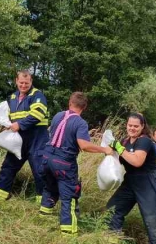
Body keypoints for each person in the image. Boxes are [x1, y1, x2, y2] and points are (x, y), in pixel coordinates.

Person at [38, 92, 112, 235]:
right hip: (63, 163)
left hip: (46, 158)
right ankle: (68, 232)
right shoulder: (80, 123)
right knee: (69, 196)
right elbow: (84, 145)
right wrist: (104, 149)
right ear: (84, 107)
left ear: (69, 102)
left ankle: (43, 217)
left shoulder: (58, 115)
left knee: (49, 187)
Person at [106, 114, 156, 244]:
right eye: (130, 125)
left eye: (136, 126)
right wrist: (109, 151)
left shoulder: (145, 141)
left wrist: (119, 148)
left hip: (149, 182)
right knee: (112, 210)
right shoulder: (125, 141)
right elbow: (119, 159)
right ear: (126, 125)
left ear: (142, 127)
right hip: (131, 181)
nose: (132, 128)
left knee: (152, 219)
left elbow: (137, 161)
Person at [0, 71, 49, 202]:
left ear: (31, 82)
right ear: (16, 81)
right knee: (8, 167)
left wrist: (19, 124)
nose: (23, 85)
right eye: (21, 83)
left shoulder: (37, 95)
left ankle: (45, 203)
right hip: (18, 141)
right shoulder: (12, 97)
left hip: (37, 140)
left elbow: (38, 114)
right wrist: (7, 124)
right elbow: (10, 117)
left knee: (40, 171)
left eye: (26, 83)